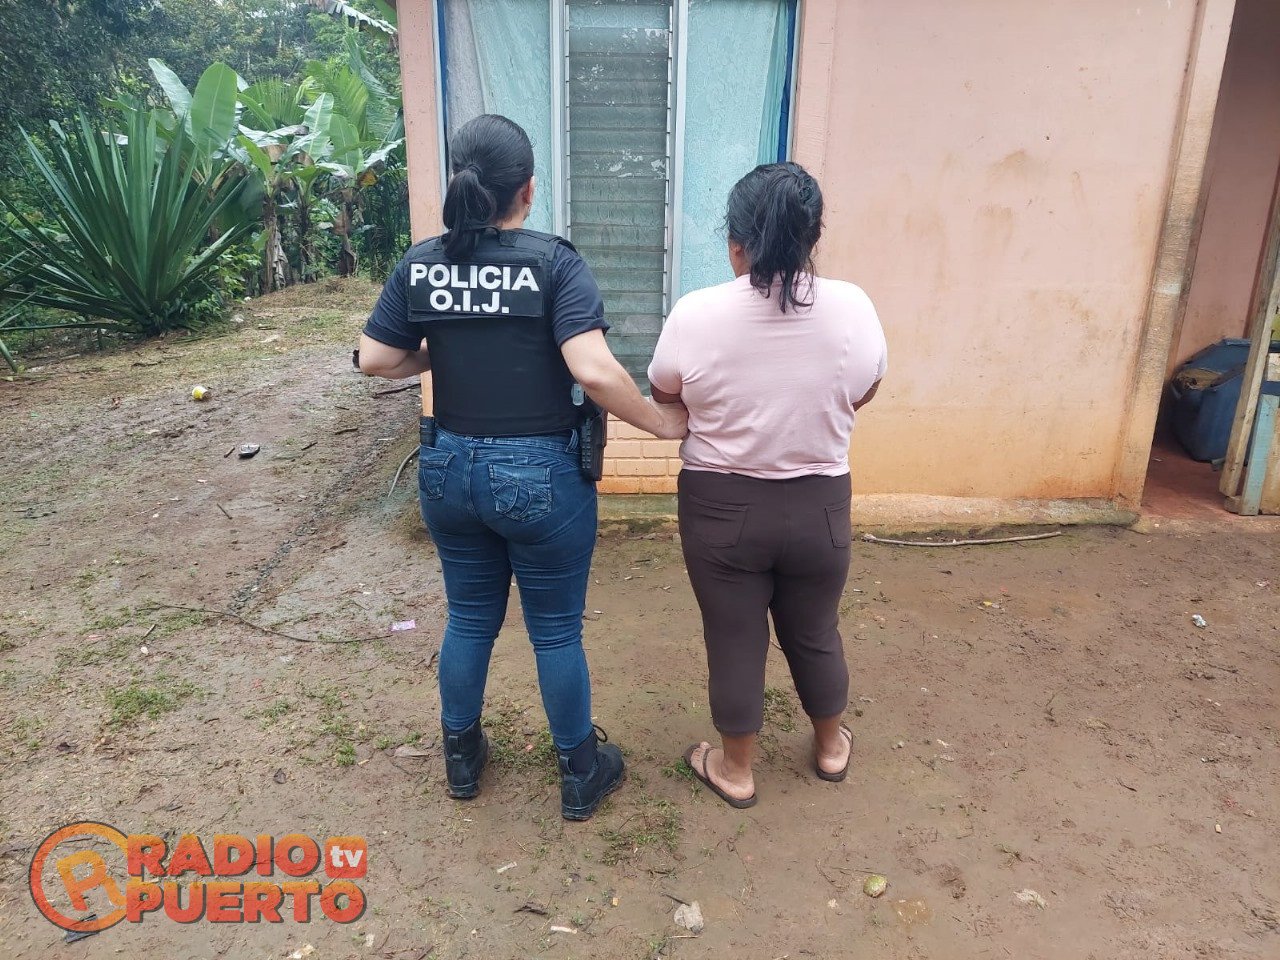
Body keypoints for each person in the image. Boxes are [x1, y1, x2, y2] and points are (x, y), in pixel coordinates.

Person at [358, 114, 687, 821]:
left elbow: (375, 358)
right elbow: (592, 371)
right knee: (555, 630)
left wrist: (440, 349)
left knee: (469, 618)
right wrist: (661, 424)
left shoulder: (422, 264)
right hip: (539, 478)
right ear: (527, 190)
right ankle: (579, 770)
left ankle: (461, 757)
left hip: (447, 469)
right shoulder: (553, 264)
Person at [648, 161, 886, 808]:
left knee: (734, 637)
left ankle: (736, 770)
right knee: (815, 631)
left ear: (736, 245)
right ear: (814, 237)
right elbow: (865, 388)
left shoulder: (696, 313)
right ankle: (831, 748)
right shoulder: (854, 307)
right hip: (820, 506)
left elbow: (666, 392)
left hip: (721, 508)